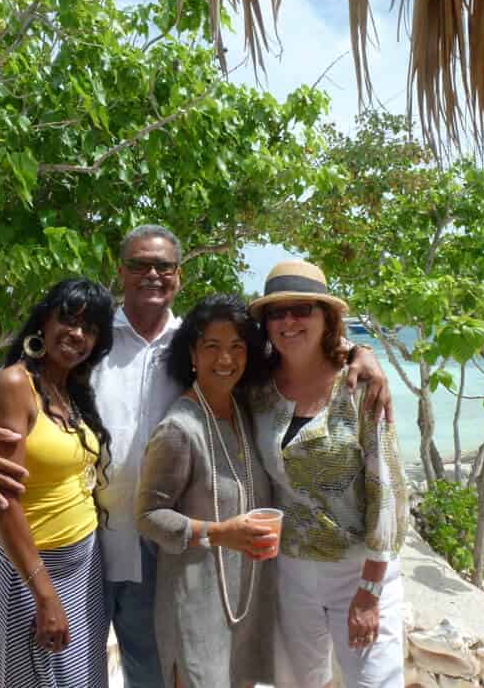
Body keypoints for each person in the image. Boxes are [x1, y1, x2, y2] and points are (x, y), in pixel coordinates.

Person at [0, 226, 394, 688]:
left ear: (179, 277)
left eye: (163, 266)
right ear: (121, 271)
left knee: (151, 674)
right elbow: (6, 386)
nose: (151, 275)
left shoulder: (197, 343)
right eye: (139, 265)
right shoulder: (93, 339)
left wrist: (359, 353)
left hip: (156, 552)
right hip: (86, 542)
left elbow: (290, 353)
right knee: (63, 672)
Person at [247, 259, 408, 688]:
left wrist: (370, 593)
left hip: (359, 570)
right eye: (277, 312)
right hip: (289, 570)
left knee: (375, 682)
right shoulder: (257, 389)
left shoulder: (359, 386)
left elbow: (387, 490)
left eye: (302, 308)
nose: (288, 320)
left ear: (327, 316)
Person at [0, 278, 115, 687]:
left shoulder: (70, 388)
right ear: (43, 322)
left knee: (78, 677)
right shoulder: (15, 385)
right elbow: (2, 501)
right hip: (32, 568)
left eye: (89, 329)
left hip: (83, 562)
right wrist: (44, 594)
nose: (78, 334)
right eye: (68, 321)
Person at [136, 294, 277, 687]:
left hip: (246, 598)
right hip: (195, 601)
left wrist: (361, 356)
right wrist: (217, 533)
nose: (225, 359)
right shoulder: (180, 429)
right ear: (192, 355)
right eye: (211, 347)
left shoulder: (245, 410)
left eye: (236, 347)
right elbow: (147, 516)